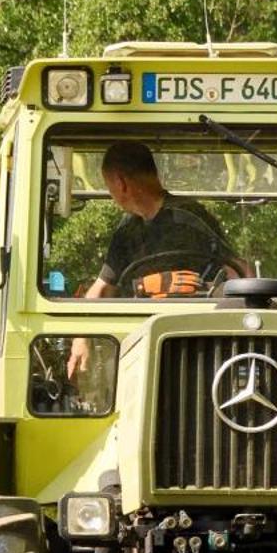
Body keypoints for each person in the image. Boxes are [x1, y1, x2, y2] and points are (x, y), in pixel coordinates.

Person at [67, 141, 245, 378]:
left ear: (120, 183)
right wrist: (81, 338)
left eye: (109, 186)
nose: (112, 195)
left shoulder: (191, 218)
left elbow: (238, 272)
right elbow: (101, 289)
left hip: (195, 341)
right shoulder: (126, 230)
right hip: (136, 341)